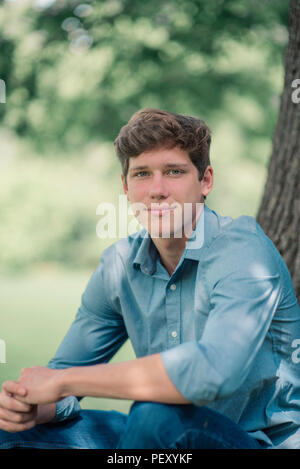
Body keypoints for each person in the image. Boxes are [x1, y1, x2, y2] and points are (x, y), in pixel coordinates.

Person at [1, 108, 300, 450]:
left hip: (253, 442)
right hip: (163, 437)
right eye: (142, 173)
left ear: (206, 181)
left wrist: (61, 381)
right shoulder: (120, 266)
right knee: (11, 431)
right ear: (126, 187)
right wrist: (32, 406)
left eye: (174, 171)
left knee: (156, 418)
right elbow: (62, 379)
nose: (157, 190)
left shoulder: (242, 250)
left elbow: (213, 371)